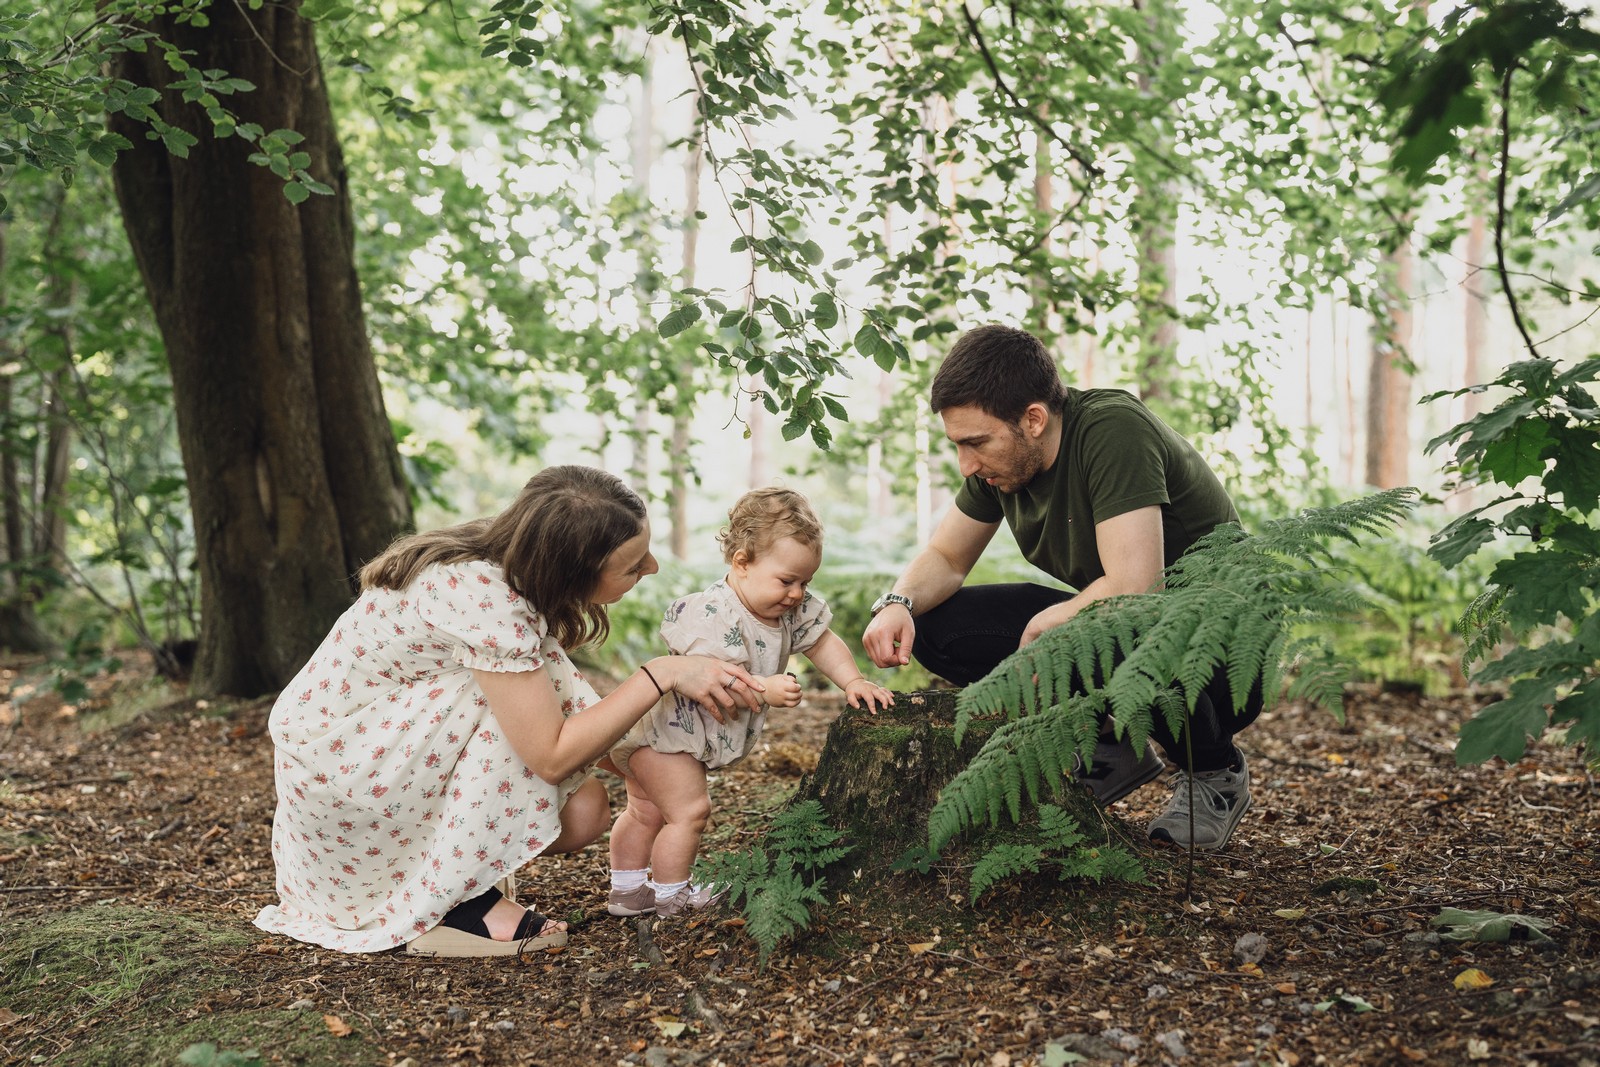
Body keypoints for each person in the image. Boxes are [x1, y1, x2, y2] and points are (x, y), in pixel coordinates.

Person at [253, 465, 767, 957]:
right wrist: (663, 675)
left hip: (367, 757)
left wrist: (652, 769)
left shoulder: (509, 557)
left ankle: (453, 869)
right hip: (343, 781)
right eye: (633, 565)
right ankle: (453, 904)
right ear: (571, 570)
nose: (651, 568)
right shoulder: (484, 597)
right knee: (502, 701)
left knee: (583, 808)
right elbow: (549, 755)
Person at [861, 325, 1264, 851]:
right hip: (1131, 619)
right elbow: (946, 557)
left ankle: (1213, 771)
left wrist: (1048, 622)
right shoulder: (999, 468)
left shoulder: (1113, 432)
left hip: (1226, 654)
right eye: (958, 445)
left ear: (1033, 419)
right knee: (935, 626)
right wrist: (899, 603)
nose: (967, 464)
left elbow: (1137, 588)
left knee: (1118, 629)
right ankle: (1110, 746)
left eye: (977, 443)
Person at [604, 488, 895, 917]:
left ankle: (628, 893)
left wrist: (851, 680)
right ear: (742, 563)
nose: (796, 594)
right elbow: (719, 679)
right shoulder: (712, 613)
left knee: (646, 811)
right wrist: (766, 689)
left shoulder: (792, 612)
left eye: (805, 582)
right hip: (666, 737)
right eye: (786, 581)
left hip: (677, 740)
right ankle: (671, 895)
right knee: (689, 813)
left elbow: (822, 642)